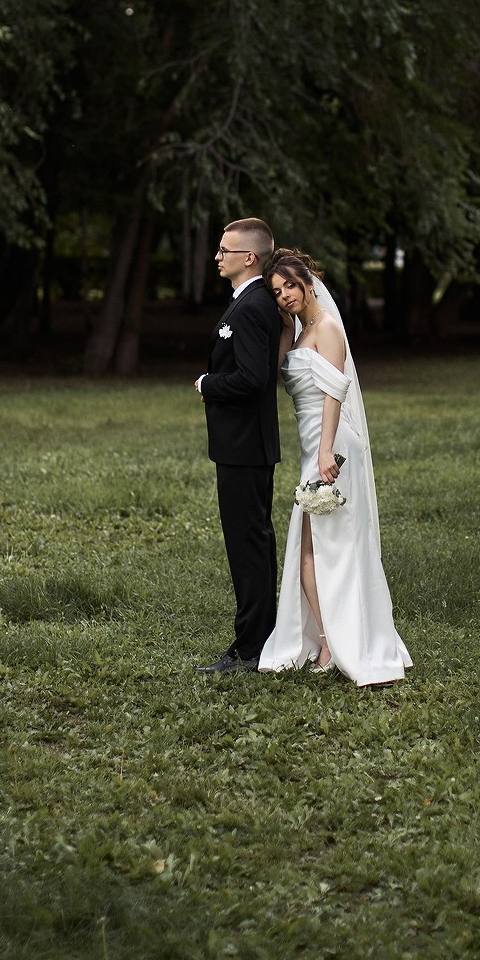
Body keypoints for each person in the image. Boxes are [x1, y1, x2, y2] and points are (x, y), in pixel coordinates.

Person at [259, 249, 411, 686]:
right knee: (309, 547)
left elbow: (333, 394)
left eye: (290, 285)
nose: (285, 295)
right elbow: (279, 371)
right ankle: (327, 637)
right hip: (312, 446)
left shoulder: (329, 330)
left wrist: (326, 452)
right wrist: (286, 330)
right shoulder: (302, 331)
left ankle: (336, 641)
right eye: (277, 291)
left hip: (333, 446)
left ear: (308, 282)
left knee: (329, 545)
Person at [194, 218, 282, 674]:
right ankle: (263, 638)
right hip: (244, 445)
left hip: (244, 445)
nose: (217, 256)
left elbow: (252, 378)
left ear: (249, 257)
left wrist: (209, 383)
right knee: (254, 543)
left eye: (225, 250)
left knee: (247, 547)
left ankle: (250, 649)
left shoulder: (251, 307)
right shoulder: (251, 301)